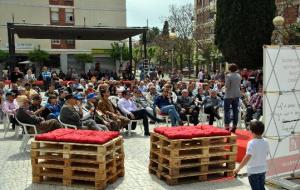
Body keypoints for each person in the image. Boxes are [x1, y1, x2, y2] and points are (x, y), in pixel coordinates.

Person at [234, 121, 269, 190]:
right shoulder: (266, 141)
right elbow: (266, 153)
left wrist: (238, 168)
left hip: (253, 171)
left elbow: (247, 157)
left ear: (252, 132)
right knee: (262, 187)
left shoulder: (251, 143)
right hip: (263, 169)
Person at [224, 64, 241, 133]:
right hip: (236, 94)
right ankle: (234, 126)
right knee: (235, 111)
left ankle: (227, 126)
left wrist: (225, 88)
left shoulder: (228, 75)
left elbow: (227, 86)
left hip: (229, 95)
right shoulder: (239, 75)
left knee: (227, 111)